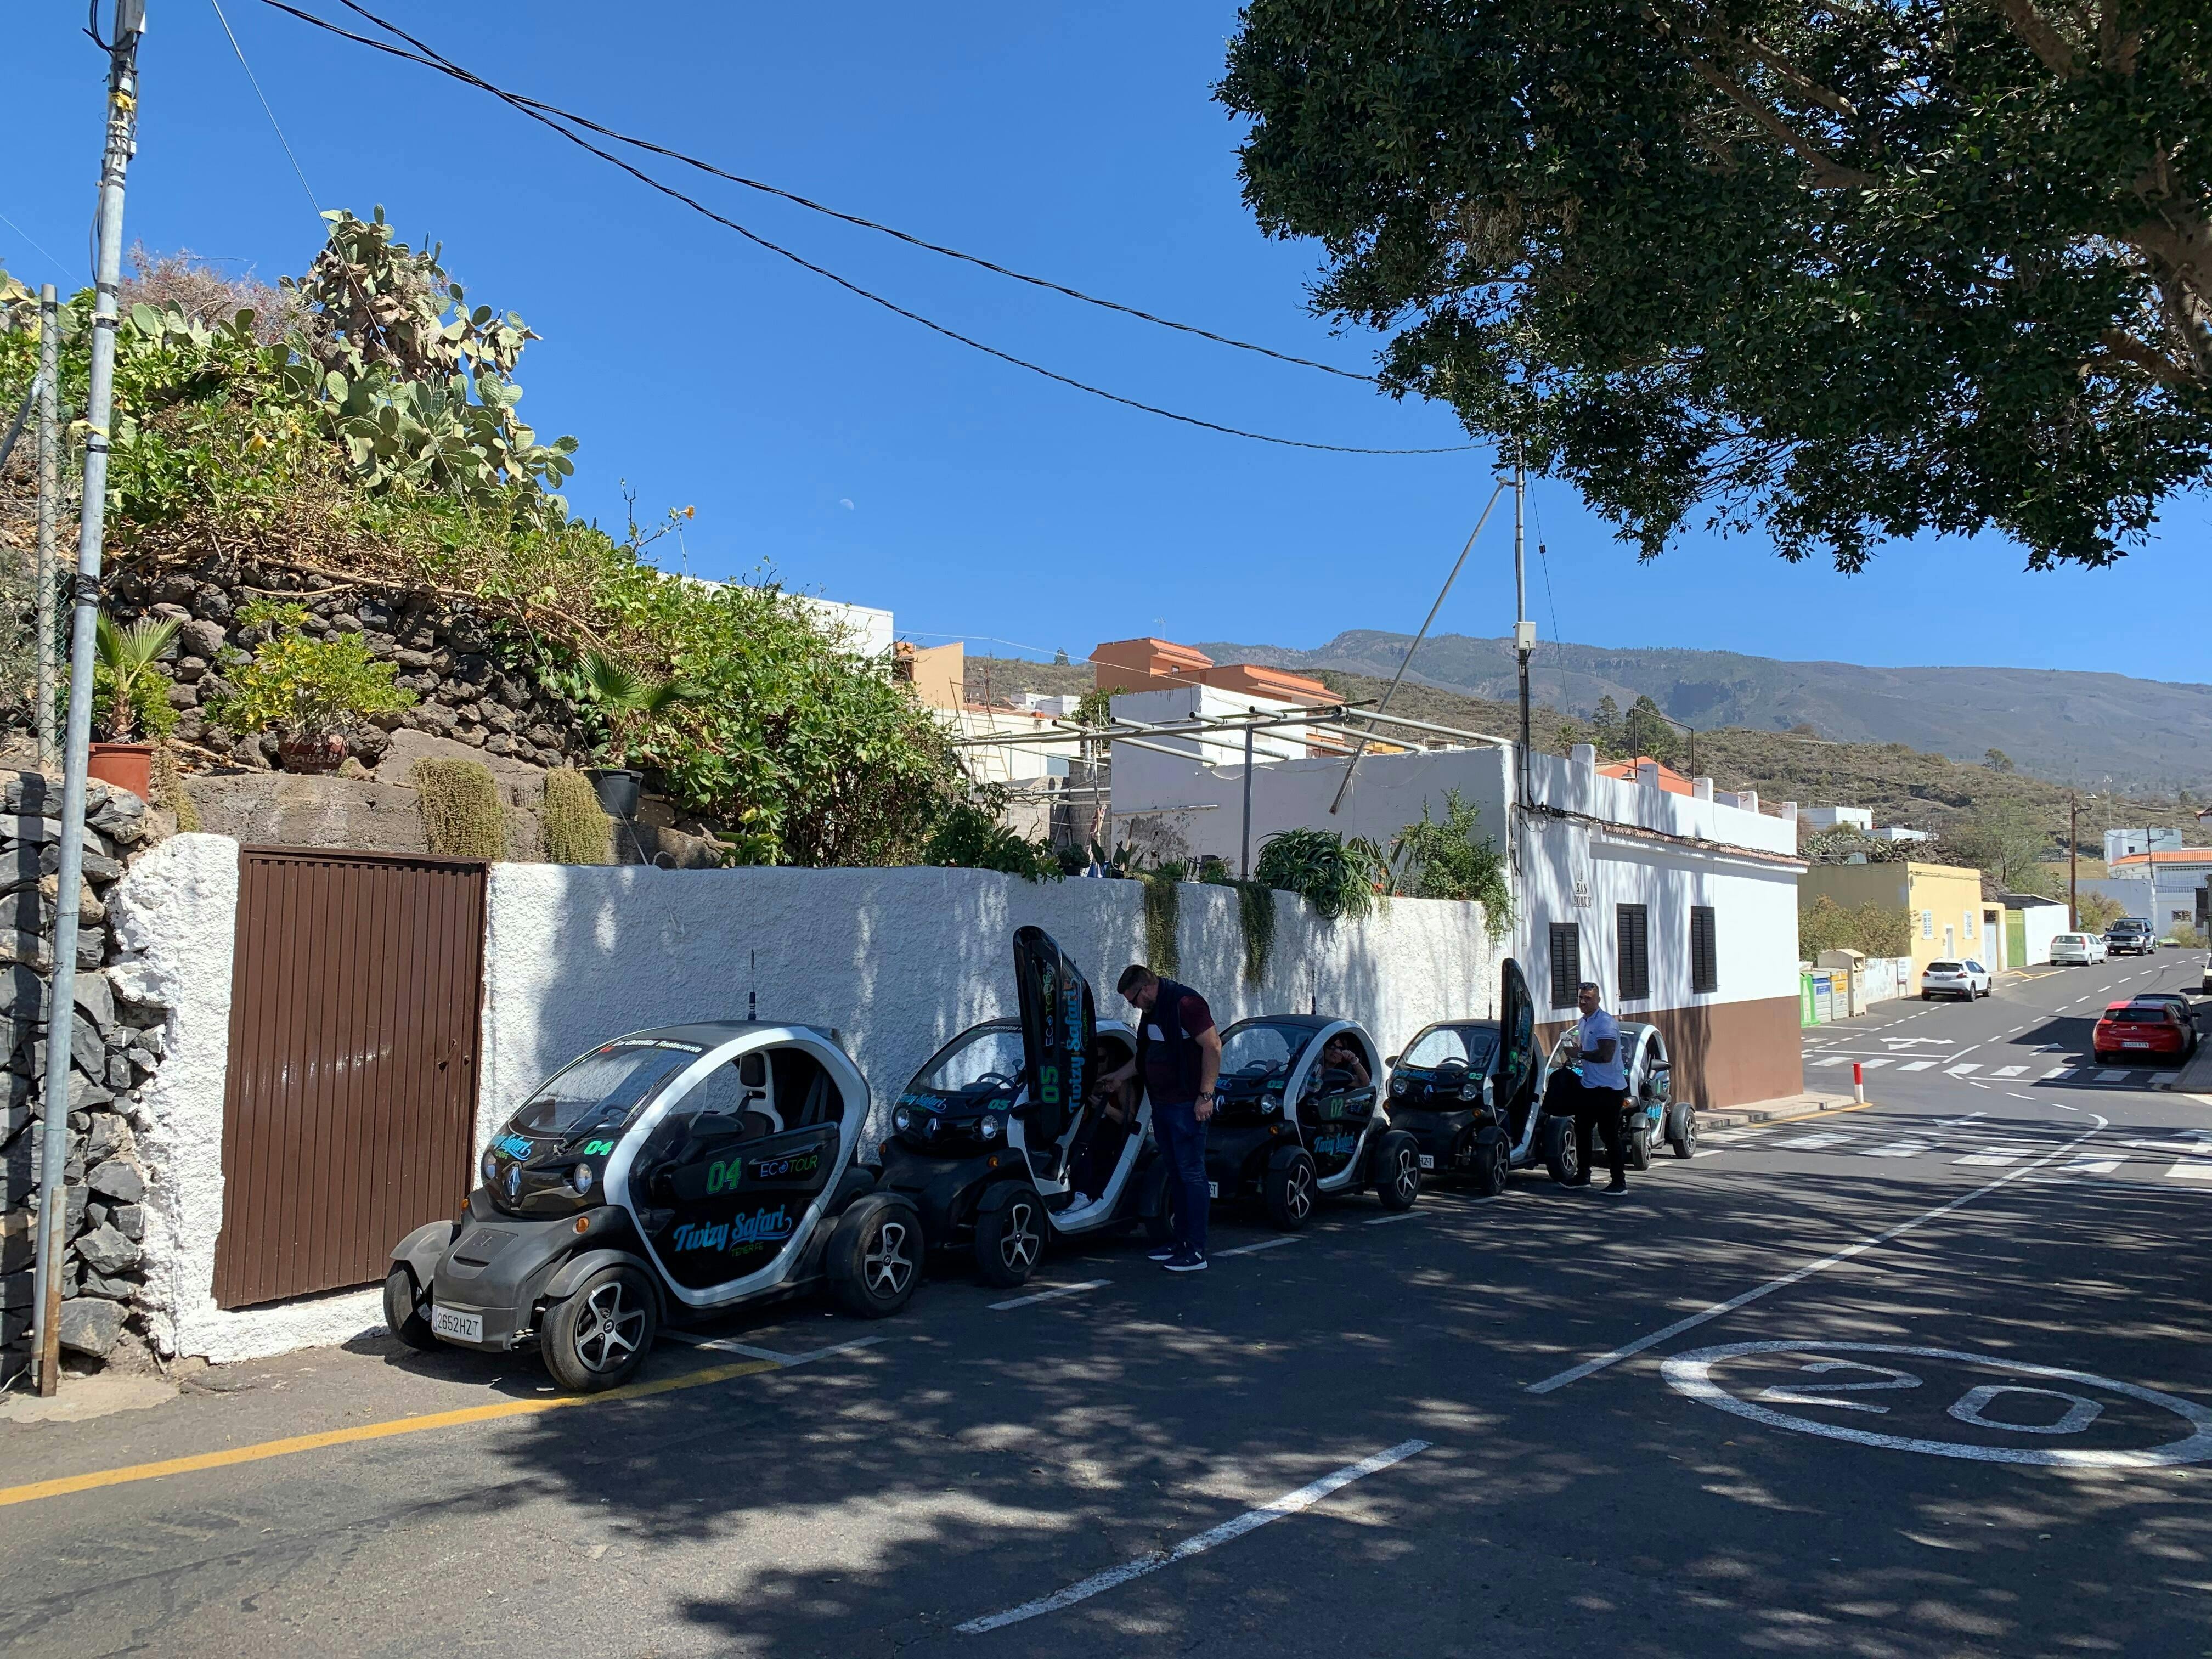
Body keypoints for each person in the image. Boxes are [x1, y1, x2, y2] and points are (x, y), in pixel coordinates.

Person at [1100, 964, 1221, 1272]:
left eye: (1133, 1000)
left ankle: (1195, 1251)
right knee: (1176, 1174)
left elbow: (1212, 1046)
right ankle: (1179, 1242)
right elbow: (1146, 1057)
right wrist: (1118, 1076)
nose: (1134, 1006)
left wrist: (1205, 1095)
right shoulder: (1152, 1012)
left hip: (1188, 1105)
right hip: (1164, 1105)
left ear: (1147, 988)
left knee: (1192, 1175)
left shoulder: (1186, 1004)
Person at [1562, 980, 1629, 1195]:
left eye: (1588, 999)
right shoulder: (1584, 1022)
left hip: (1609, 1088)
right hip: (1589, 1085)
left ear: (1598, 1000)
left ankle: (1619, 1182)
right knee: (1582, 1129)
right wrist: (1575, 1050)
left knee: (1609, 1134)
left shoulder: (1605, 1024)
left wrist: (1579, 1054)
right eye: (1580, 998)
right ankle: (1583, 1175)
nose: (1583, 1002)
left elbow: (1606, 1055)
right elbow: (1588, 1050)